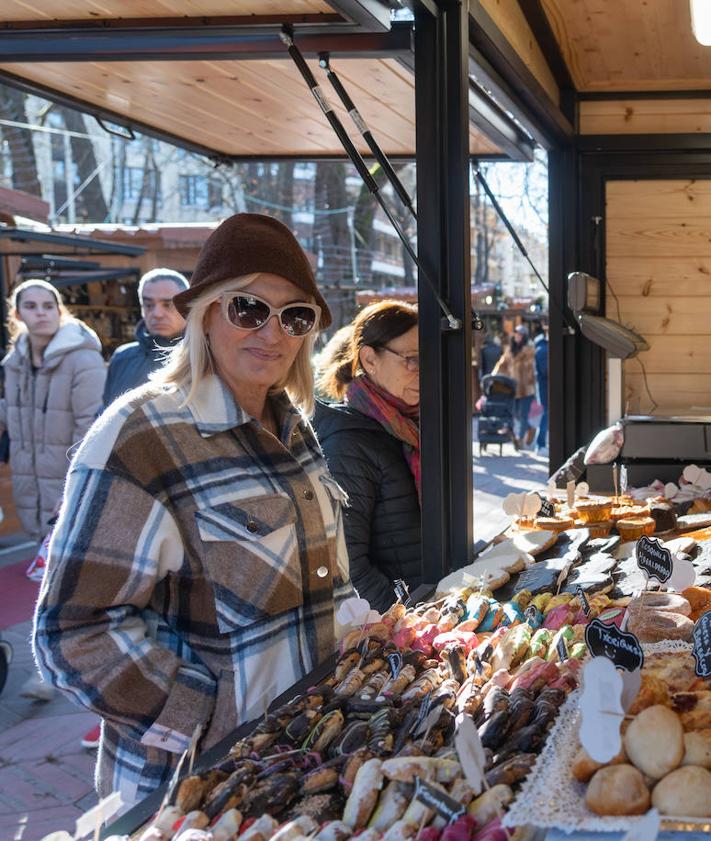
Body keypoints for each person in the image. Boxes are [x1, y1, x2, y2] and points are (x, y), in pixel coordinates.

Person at [33, 213, 352, 806]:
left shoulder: (294, 427)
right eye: (249, 308)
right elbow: (72, 630)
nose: (273, 332)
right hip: (196, 787)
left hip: (303, 759)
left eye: (295, 315)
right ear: (205, 312)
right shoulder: (139, 435)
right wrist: (205, 723)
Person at [314, 300, 420, 613]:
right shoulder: (348, 443)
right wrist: (406, 623)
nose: (424, 372)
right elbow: (347, 565)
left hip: (434, 603)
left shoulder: (411, 425)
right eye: (412, 360)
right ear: (369, 359)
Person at [0, 279, 106, 540]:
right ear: (17, 314)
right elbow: (14, 412)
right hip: (29, 480)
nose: (41, 312)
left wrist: (75, 487)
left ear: (59, 311)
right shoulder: (15, 362)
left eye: (48, 306)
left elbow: (90, 428)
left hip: (68, 479)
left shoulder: (83, 358)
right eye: (31, 306)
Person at [102, 268, 188, 407]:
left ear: (187, 307)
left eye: (168, 305)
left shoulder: (205, 357)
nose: (157, 313)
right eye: (148, 305)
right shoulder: (122, 358)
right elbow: (104, 413)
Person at [492, 324, 537, 450]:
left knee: (523, 415)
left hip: (526, 388)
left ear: (524, 336)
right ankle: (530, 428)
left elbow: (531, 367)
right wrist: (494, 376)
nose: (518, 336)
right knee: (515, 414)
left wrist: (524, 370)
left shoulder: (530, 349)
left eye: (521, 334)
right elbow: (502, 363)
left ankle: (520, 439)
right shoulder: (509, 349)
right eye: (516, 334)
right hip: (513, 388)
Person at [534, 326, 549, 454]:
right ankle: (540, 443)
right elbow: (546, 371)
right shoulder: (543, 350)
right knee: (547, 414)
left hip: (544, 387)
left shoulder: (540, 348)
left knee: (546, 414)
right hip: (546, 388)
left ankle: (541, 443)